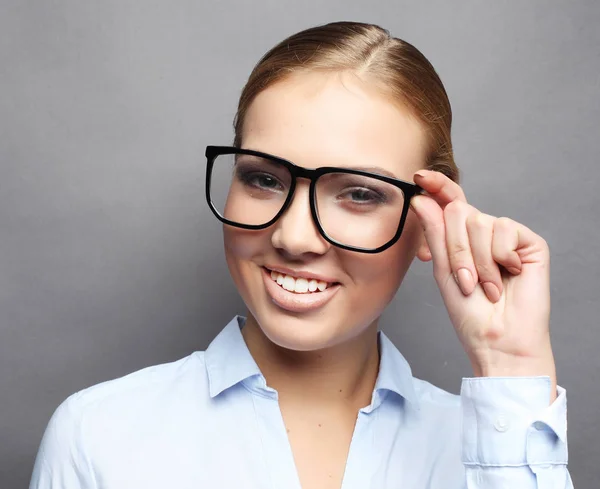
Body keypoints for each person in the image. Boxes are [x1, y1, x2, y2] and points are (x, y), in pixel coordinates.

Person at [29, 21, 573, 489]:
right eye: (263, 179)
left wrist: (512, 371)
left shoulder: (494, 450)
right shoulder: (100, 435)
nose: (294, 237)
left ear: (433, 218)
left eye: (359, 194)